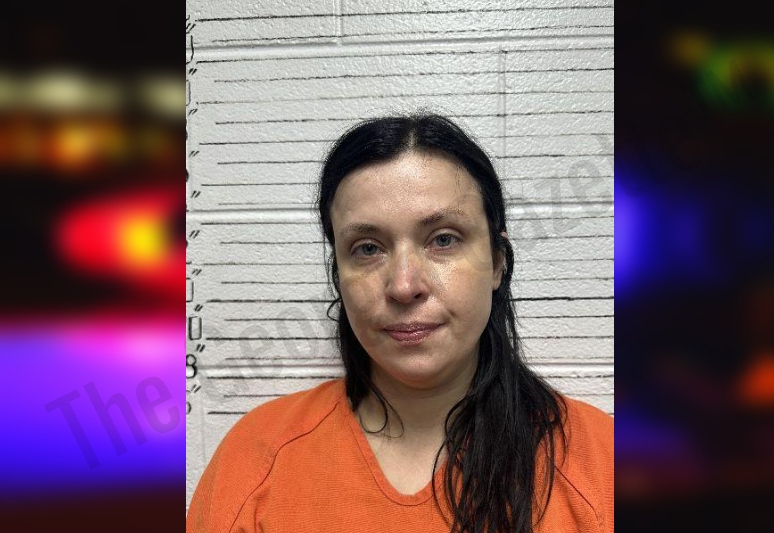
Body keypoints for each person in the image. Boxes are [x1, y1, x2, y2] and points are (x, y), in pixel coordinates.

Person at [186, 114, 613, 533]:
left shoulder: (603, 464)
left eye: (443, 239)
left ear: (498, 262)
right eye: (368, 248)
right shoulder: (256, 459)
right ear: (339, 274)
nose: (404, 286)